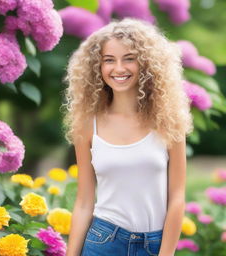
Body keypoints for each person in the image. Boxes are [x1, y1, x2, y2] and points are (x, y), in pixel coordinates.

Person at [61, 18, 193, 256]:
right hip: (103, 241)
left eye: (129, 58)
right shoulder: (87, 126)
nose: (119, 68)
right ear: (97, 68)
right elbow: (83, 202)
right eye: (109, 60)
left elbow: (177, 197)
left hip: (155, 245)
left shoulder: (169, 123)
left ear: (146, 64)